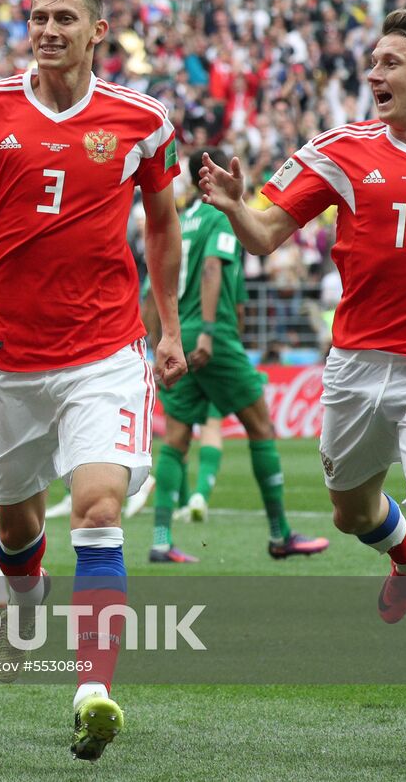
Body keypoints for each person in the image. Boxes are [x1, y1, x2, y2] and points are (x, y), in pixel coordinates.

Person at [0, 0, 186, 761]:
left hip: (104, 351)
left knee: (99, 509)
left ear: (98, 31)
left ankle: (93, 690)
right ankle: (26, 593)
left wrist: (166, 328)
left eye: (65, 19)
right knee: (19, 528)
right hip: (4, 359)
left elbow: (163, 225)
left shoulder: (143, 120)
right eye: (37, 19)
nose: (48, 31)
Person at [199, 8, 406, 755]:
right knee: (350, 512)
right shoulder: (339, 151)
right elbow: (267, 233)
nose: (373, 74)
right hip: (356, 370)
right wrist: (235, 206)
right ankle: (400, 557)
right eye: (371, 62)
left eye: (389, 63)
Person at [146, 149, 330, 563]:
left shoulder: (179, 219)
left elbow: (149, 289)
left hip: (178, 333)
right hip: (213, 336)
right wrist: (209, 333)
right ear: (208, 177)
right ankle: (281, 533)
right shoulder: (218, 216)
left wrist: (160, 338)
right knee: (261, 427)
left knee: (175, 440)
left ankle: (159, 540)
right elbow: (213, 269)